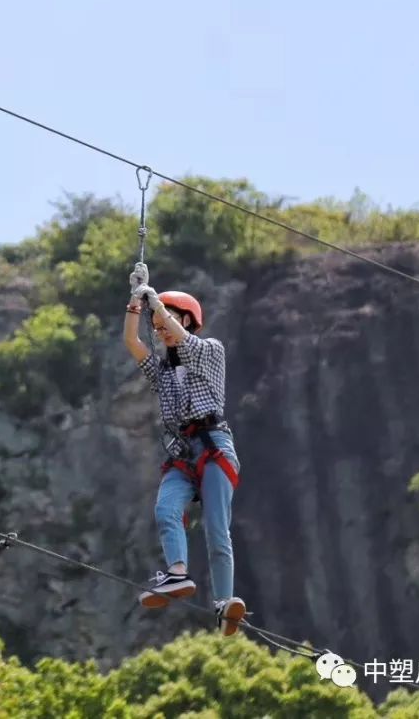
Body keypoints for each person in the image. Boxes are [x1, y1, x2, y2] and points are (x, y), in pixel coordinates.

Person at [122, 262, 247, 636]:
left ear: (188, 320)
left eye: (168, 322)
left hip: (213, 445)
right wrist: (135, 303)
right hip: (182, 454)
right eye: (157, 327)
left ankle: (225, 602)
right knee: (165, 509)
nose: (159, 330)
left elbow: (181, 339)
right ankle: (177, 574)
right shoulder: (162, 372)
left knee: (215, 529)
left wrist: (156, 303)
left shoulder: (210, 351)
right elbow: (133, 342)